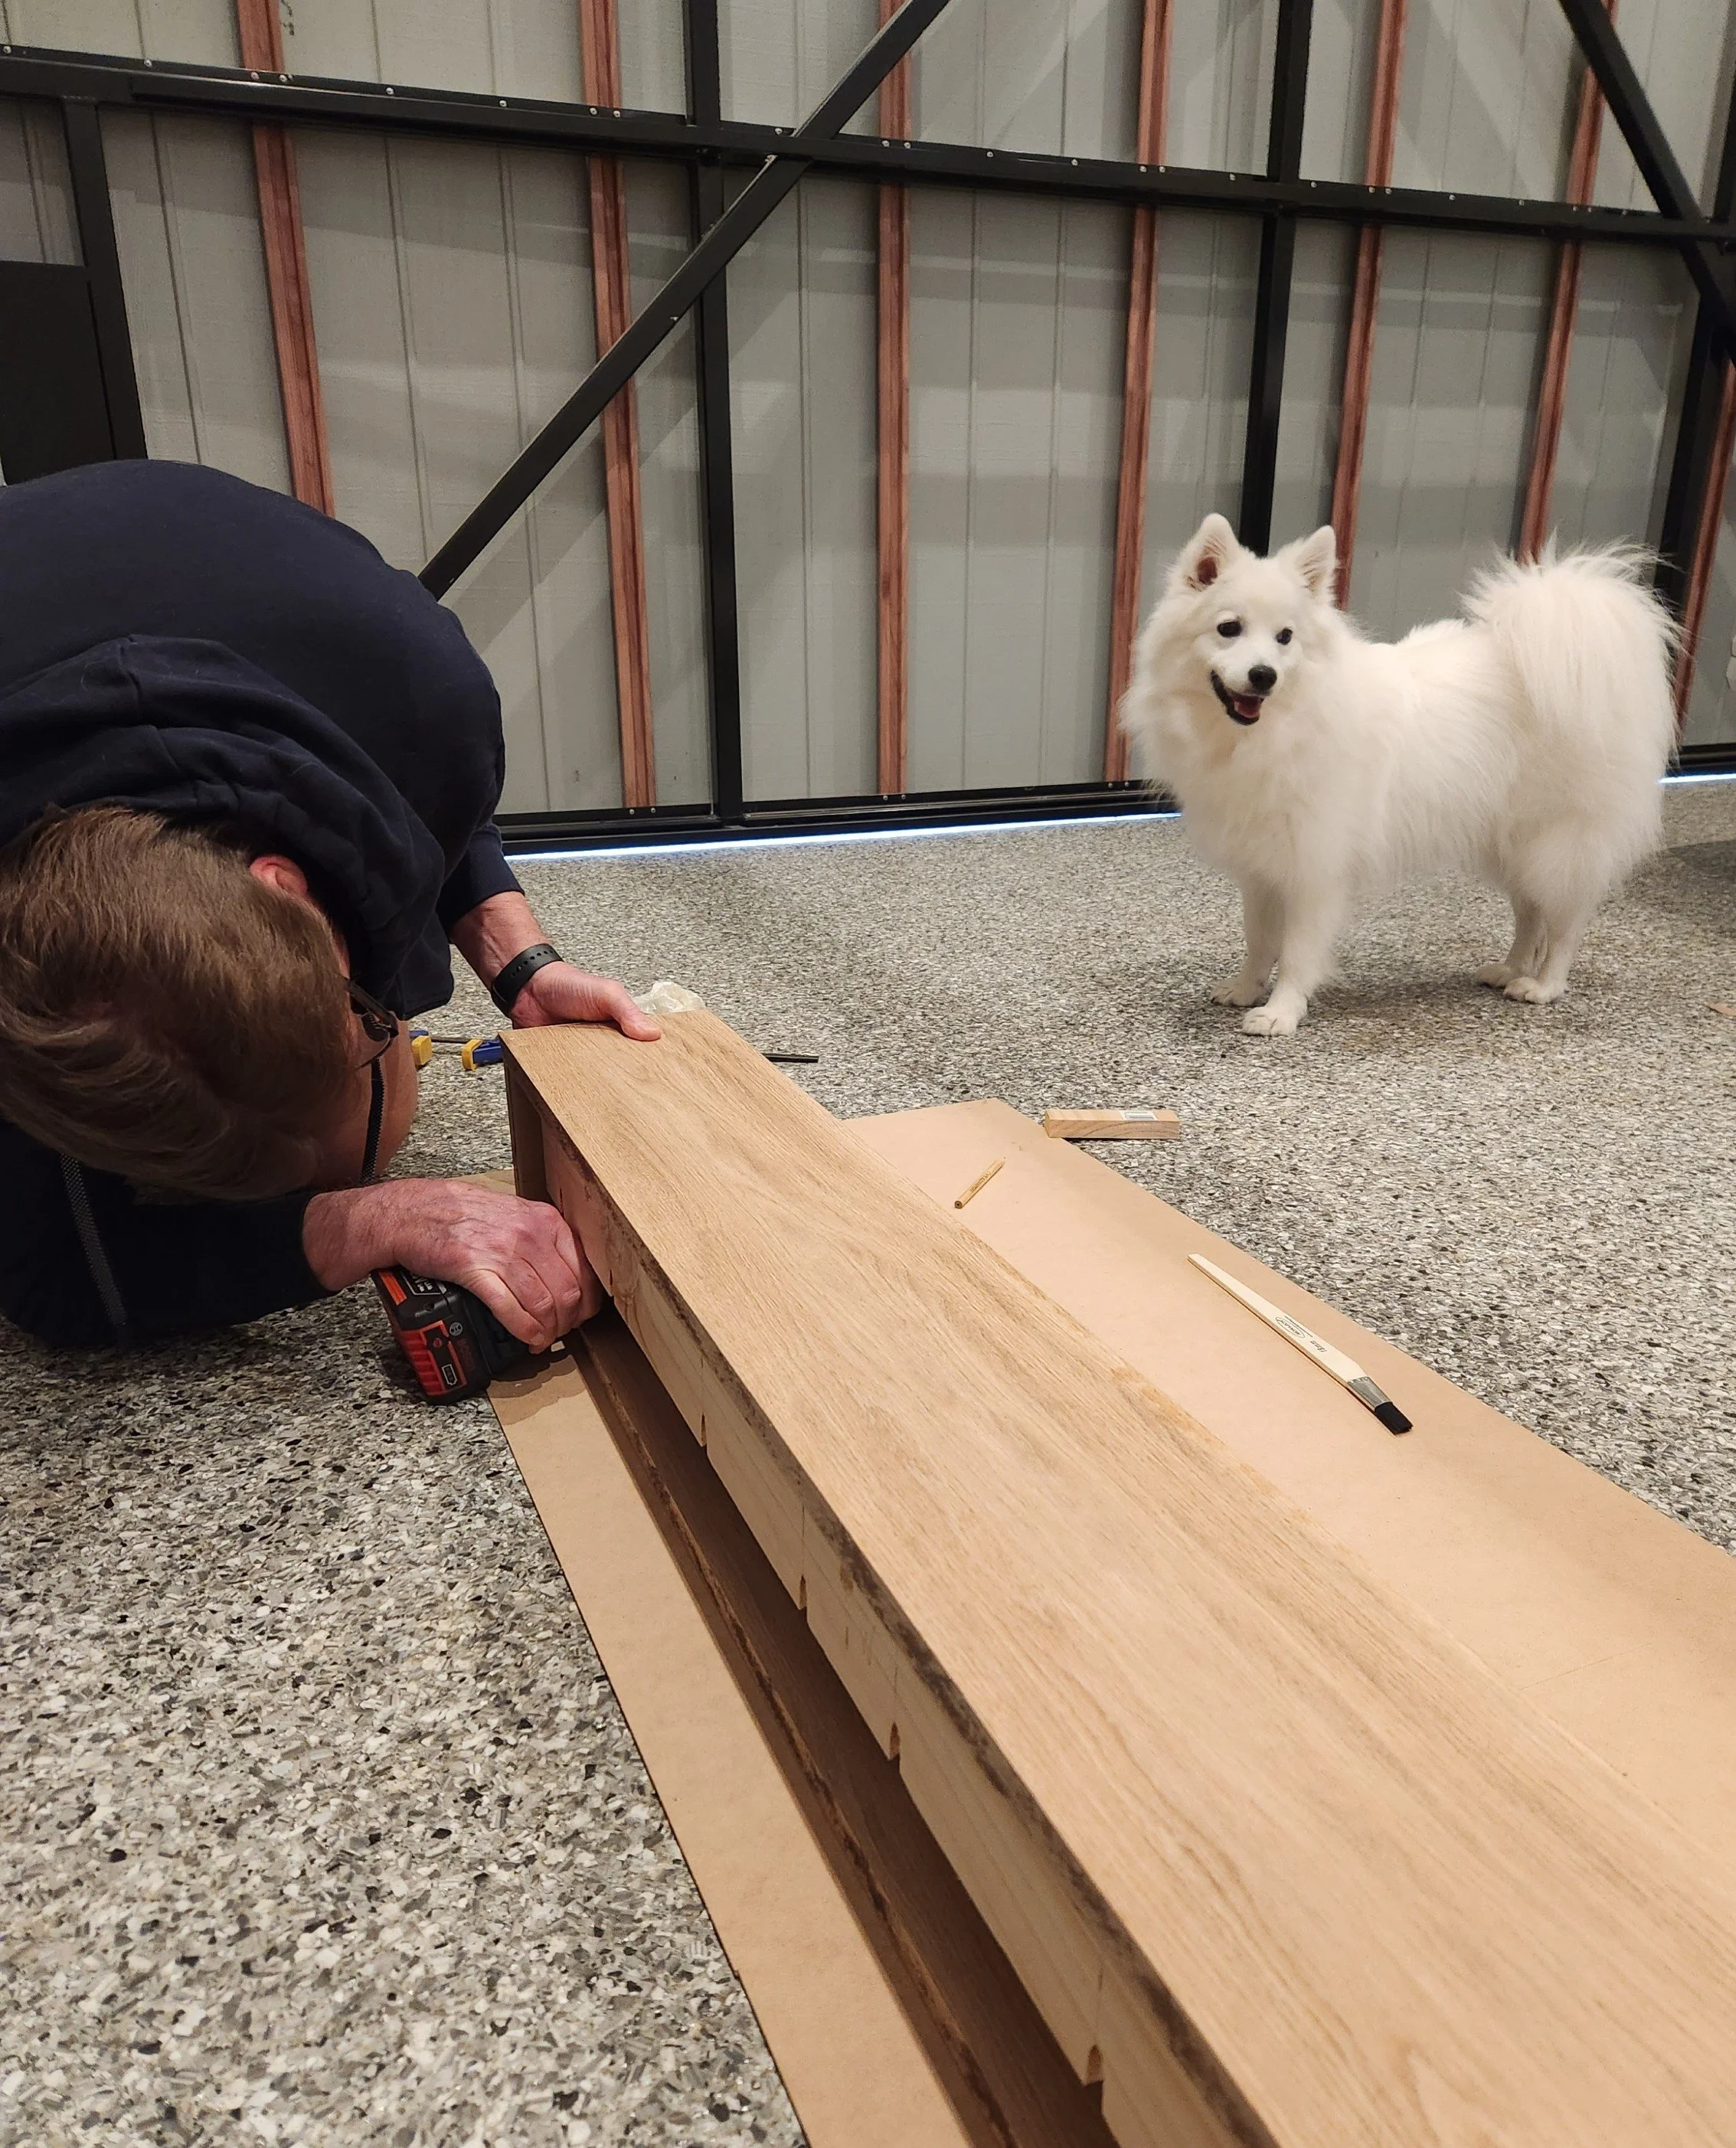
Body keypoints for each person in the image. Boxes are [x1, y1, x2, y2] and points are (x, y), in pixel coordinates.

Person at [0, 459, 659, 1353]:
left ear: (285, 884)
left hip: (298, 610)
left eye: (369, 1023)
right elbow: (51, 1278)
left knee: (359, 1132)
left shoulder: (412, 681)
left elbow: (422, 786)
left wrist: (521, 963)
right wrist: (361, 1223)